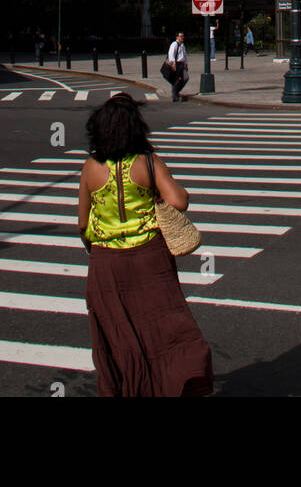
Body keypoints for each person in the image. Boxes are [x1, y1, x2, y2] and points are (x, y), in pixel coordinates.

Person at [78, 93, 213, 397]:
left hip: (106, 265)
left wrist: (96, 249)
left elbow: (83, 225)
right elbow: (179, 201)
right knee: (167, 331)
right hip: (150, 260)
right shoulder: (147, 162)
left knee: (119, 342)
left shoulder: (90, 168)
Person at [167, 31, 188, 102]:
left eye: (183, 36)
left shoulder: (182, 45)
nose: (182, 37)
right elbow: (171, 54)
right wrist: (173, 63)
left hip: (182, 63)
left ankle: (176, 91)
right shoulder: (174, 44)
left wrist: (186, 64)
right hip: (176, 64)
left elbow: (184, 55)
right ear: (177, 37)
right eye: (181, 36)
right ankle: (175, 96)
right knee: (176, 80)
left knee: (185, 78)